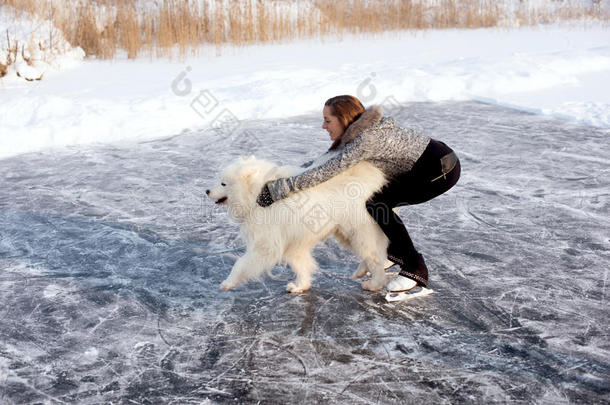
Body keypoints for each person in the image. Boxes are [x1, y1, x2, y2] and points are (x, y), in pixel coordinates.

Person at [256, 95, 460, 295]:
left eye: (328, 120)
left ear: (344, 119)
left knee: (378, 203)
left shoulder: (365, 140)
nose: (323, 126)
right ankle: (393, 252)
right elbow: (322, 162)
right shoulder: (357, 134)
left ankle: (415, 267)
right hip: (430, 160)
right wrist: (281, 177)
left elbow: (326, 171)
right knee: (373, 202)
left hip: (440, 170)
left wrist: (277, 191)